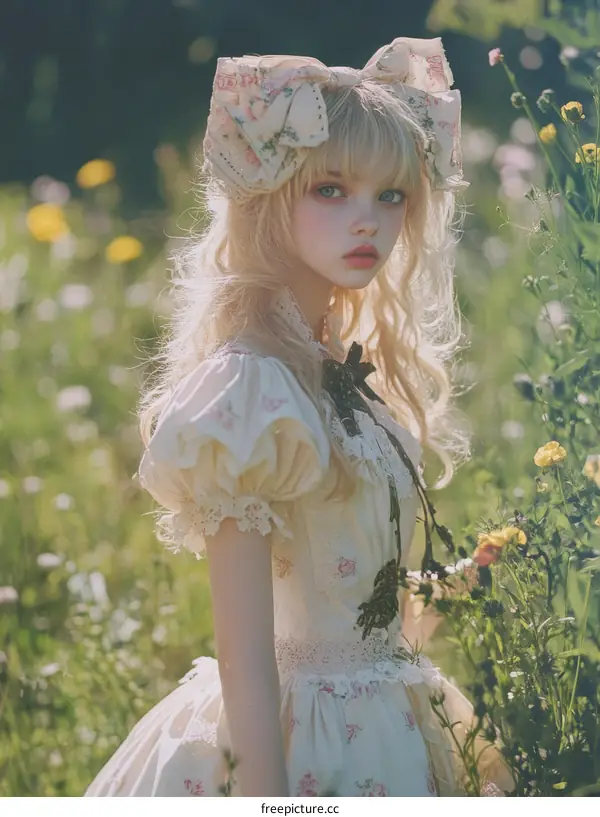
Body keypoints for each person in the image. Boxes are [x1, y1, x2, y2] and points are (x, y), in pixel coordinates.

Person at [85, 36, 515, 798]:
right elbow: (247, 656)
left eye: (391, 196)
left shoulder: (343, 370)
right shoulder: (252, 386)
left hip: (389, 720)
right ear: (271, 191)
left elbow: (354, 603)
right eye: (331, 189)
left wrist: (448, 588)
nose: (368, 221)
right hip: (293, 737)